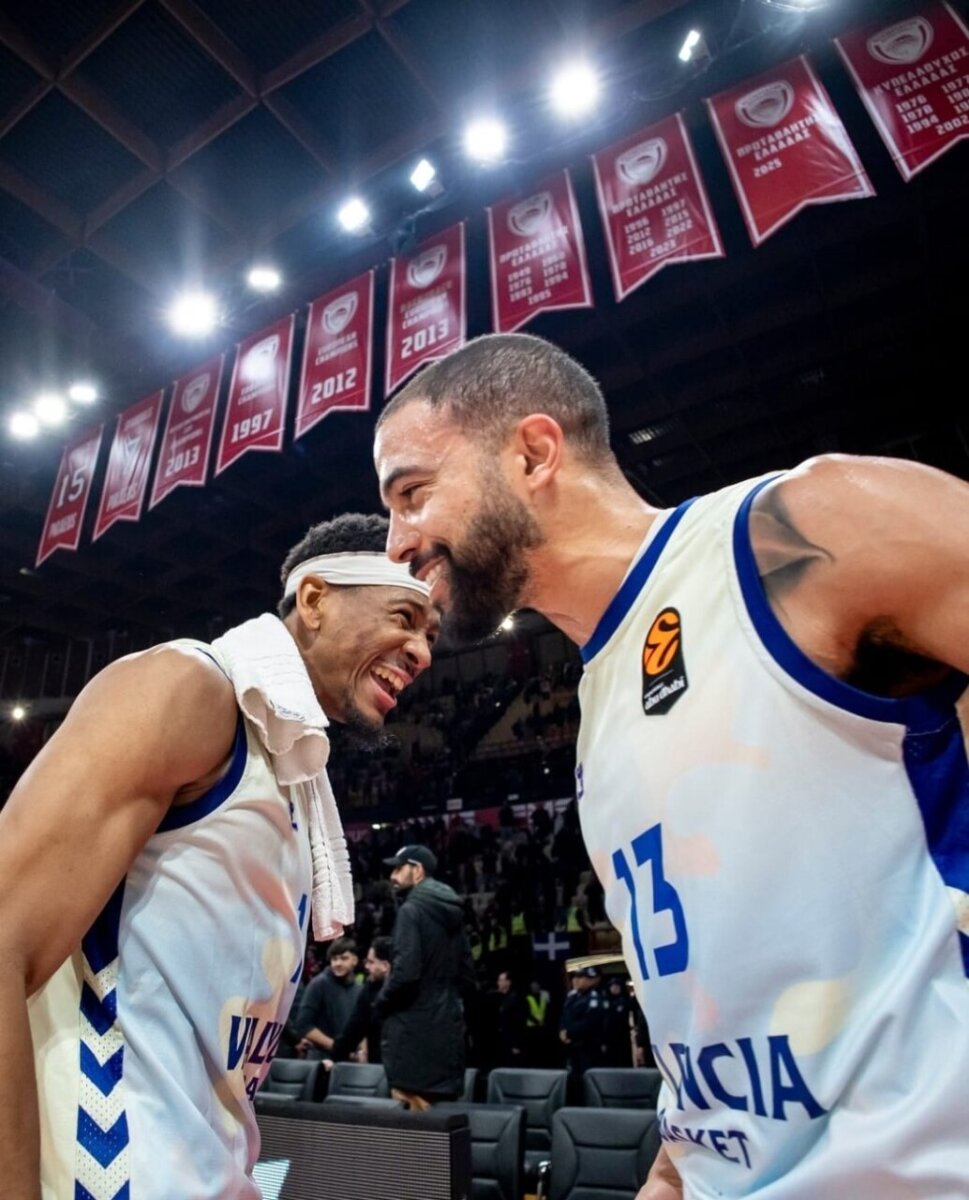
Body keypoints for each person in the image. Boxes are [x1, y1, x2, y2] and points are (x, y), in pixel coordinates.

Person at [373, 331, 969, 1198]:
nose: (395, 543)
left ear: (534, 453)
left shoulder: (793, 536)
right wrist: (678, 1162)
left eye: (412, 493)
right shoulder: (598, 705)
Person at [0, 512, 438, 1200]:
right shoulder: (189, 689)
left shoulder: (293, 774)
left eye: (431, 634)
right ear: (316, 599)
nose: (422, 651)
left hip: (212, 1171)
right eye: (405, 616)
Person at [374, 843, 477, 1109]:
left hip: (412, 1038)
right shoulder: (454, 912)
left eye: (398, 869)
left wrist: (381, 1003)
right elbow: (467, 975)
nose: (392, 877)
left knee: (414, 1139)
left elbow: (406, 973)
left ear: (417, 870)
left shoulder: (412, 910)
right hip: (448, 1033)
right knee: (443, 1133)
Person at [324, 934, 394, 1068]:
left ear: (385, 966)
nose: (367, 966)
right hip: (377, 1067)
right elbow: (354, 1029)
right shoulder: (369, 990)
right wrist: (334, 1058)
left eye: (371, 962)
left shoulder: (408, 992)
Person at [292, 936, 361, 1060]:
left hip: (350, 1062)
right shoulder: (319, 984)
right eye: (334, 959)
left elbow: (363, 1027)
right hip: (320, 1060)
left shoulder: (359, 989)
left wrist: (362, 1054)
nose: (338, 963)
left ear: (355, 960)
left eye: (344, 958)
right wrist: (336, 1047)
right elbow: (303, 1025)